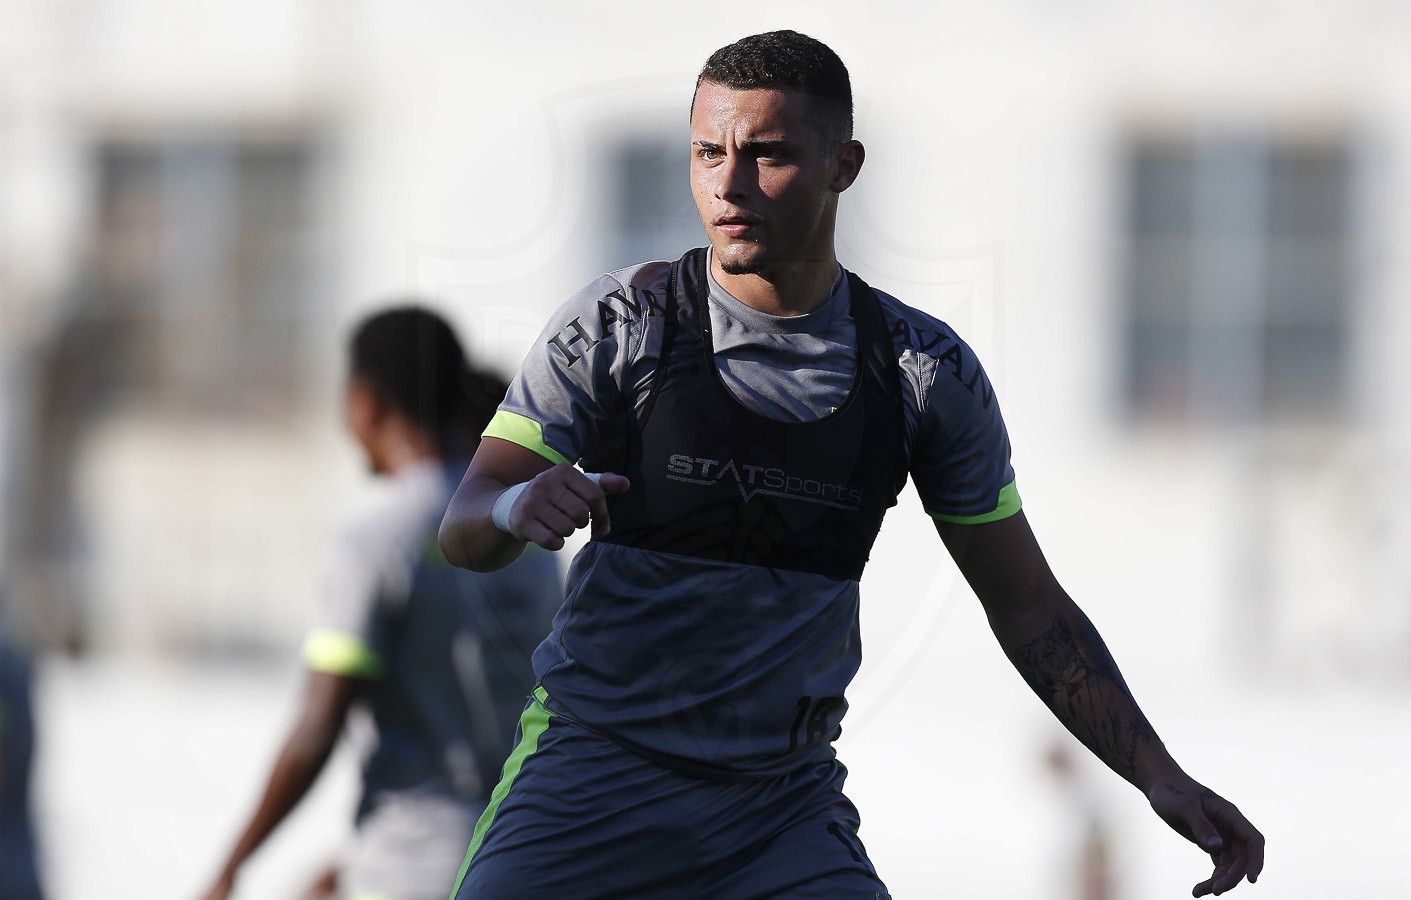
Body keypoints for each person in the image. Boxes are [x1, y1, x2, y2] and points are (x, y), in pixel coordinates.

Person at [438, 30, 1265, 899]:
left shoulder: (924, 371)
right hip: (588, 784)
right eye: (708, 153)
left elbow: (1026, 605)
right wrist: (511, 508)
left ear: (844, 165)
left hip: (778, 813)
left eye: (768, 155)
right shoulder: (619, 322)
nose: (728, 185)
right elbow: (464, 525)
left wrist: (1156, 775)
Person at [202, 307, 560, 900]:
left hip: (410, 863)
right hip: (516, 852)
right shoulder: (525, 534)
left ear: (365, 403)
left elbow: (318, 724)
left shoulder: (375, 541)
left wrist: (230, 868)